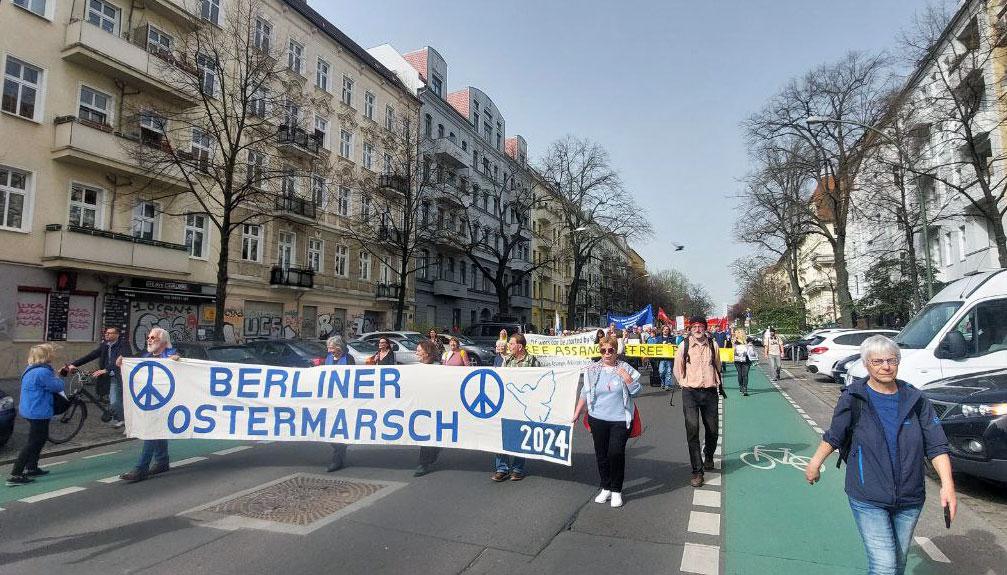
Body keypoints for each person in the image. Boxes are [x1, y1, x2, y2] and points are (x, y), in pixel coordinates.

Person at [806, 335, 956, 575]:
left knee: (897, 562)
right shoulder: (854, 398)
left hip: (910, 497)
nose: (886, 366)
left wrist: (947, 485)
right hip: (868, 496)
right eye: (877, 361)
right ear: (866, 364)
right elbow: (835, 435)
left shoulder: (915, 399)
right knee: (885, 566)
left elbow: (937, 445)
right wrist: (814, 463)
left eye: (891, 360)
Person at [572, 336, 641, 508]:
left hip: (620, 419)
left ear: (616, 351)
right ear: (600, 351)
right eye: (603, 350)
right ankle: (606, 487)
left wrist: (627, 379)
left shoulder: (625, 368)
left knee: (615, 453)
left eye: (611, 350)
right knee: (601, 454)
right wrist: (577, 412)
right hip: (597, 418)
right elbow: (585, 392)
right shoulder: (593, 369)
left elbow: (637, 391)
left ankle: (617, 490)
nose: (607, 353)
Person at [119, 327, 180, 483]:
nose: (149, 340)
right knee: (156, 430)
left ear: (164, 342)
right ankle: (162, 460)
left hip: (166, 403)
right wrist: (122, 364)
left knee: (150, 432)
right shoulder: (145, 356)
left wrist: (177, 361)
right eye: (149, 337)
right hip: (150, 402)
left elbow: (182, 368)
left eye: (154, 338)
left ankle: (141, 469)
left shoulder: (171, 355)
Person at [673, 316, 722, 488]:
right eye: (694, 326)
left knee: (713, 430)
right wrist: (684, 383)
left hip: (709, 392)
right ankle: (697, 471)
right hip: (690, 393)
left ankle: (708, 455)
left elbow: (718, 365)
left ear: (706, 328)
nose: (698, 329)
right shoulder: (683, 346)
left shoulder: (713, 345)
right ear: (690, 329)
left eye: (701, 326)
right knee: (692, 430)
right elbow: (677, 369)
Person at [7, 344, 65, 486]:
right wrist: (60, 376)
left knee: (40, 439)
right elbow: (57, 386)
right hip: (38, 410)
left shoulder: (31, 369)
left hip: (30, 408)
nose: (53, 356)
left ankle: (32, 467)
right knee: (34, 442)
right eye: (50, 353)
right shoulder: (42, 372)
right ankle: (16, 474)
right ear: (45, 356)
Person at [492, 333, 540, 482]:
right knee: (502, 435)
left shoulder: (533, 361)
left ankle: (518, 469)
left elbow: (538, 384)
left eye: (511, 344)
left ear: (520, 346)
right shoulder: (507, 360)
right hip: (507, 404)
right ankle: (502, 468)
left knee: (520, 437)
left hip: (523, 406)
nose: (509, 346)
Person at [67, 325, 128, 427]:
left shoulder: (123, 345)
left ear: (117, 335)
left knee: (114, 399)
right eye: (106, 333)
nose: (106, 334)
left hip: (117, 375)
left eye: (110, 333)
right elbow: (91, 356)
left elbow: (120, 360)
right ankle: (118, 416)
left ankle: (122, 419)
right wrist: (74, 364)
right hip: (105, 375)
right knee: (108, 397)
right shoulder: (105, 345)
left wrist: (106, 369)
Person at [413, 339, 443, 477]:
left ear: (427, 353)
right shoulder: (416, 368)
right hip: (421, 407)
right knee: (425, 434)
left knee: (429, 434)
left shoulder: (439, 368)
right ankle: (427, 457)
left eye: (419, 351)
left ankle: (423, 463)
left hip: (436, 407)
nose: (416, 353)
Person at [325, 337, 355, 473]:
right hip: (331, 399)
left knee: (339, 428)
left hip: (344, 399)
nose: (329, 350)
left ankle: (337, 459)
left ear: (339, 347)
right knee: (330, 428)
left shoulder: (348, 359)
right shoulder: (328, 358)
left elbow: (353, 377)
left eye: (331, 348)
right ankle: (340, 450)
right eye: (329, 348)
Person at [732, 328, 758, 396]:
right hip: (738, 359)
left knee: (745, 374)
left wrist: (750, 346)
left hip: (746, 359)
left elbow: (751, 349)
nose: (736, 334)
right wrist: (734, 348)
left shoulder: (748, 340)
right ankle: (740, 386)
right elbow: (733, 350)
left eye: (737, 333)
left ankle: (745, 388)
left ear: (741, 333)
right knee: (740, 374)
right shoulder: (735, 341)